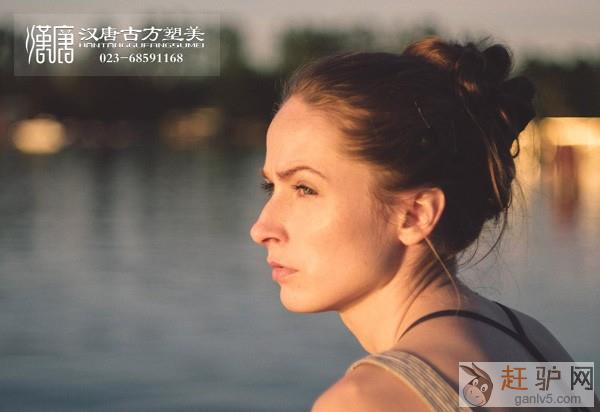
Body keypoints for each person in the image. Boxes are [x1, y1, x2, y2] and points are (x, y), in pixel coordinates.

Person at [249, 36, 597, 411]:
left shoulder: (366, 401)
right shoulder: (532, 344)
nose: (261, 228)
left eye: (305, 188)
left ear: (416, 214)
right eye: (271, 187)